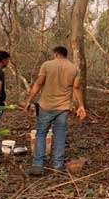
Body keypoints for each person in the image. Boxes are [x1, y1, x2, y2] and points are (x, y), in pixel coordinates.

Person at [23, 46, 86, 176]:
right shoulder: (74, 68)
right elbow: (76, 87)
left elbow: (39, 83)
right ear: (65, 55)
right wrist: (81, 105)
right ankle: (58, 166)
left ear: (56, 54)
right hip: (63, 108)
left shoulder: (47, 65)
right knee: (60, 134)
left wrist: (29, 100)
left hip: (46, 106)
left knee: (41, 134)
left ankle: (38, 166)